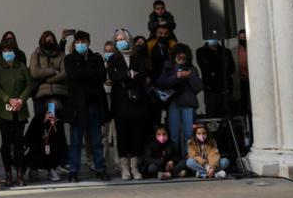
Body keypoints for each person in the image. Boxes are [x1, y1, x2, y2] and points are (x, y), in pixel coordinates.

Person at [62, 31, 109, 181]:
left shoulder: (96, 58)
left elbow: (102, 76)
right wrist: (90, 74)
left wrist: (84, 73)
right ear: (74, 43)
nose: (81, 44)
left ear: (88, 42)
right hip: (77, 106)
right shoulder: (70, 59)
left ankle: (100, 168)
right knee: (75, 141)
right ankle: (73, 170)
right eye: (78, 42)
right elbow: (73, 76)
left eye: (84, 41)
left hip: (94, 105)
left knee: (96, 141)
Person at [0, 33, 33, 186]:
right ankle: (8, 173)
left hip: (20, 110)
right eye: (5, 51)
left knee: (19, 142)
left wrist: (21, 99)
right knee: (6, 142)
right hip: (3, 111)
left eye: (10, 51)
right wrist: (9, 99)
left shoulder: (21, 67)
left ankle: (20, 172)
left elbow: (29, 84)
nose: (8, 53)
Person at [107, 32, 151, 180]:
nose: (120, 42)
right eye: (118, 40)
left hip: (137, 102)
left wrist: (127, 77)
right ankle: (124, 167)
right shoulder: (113, 59)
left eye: (122, 39)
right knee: (122, 135)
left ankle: (134, 167)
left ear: (128, 40)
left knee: (136, 134)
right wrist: (129, 74)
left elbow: (142, 76)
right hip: (120, 103)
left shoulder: (138, 57)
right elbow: (114, 77)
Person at [27, 31, 66, 180]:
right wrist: (52, 71)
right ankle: (34, 165)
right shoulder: (36, 54)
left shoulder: (61, 55)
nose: (49, 42)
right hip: (40, 98)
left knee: (52, 133)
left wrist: (47, 79)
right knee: (39, 133)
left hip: (55, 98)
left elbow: (64, 73)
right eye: (46, 40)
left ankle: (52, 166)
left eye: (51, 40)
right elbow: (35, 73)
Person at [155, 42, 200, 153]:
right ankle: (174, 159)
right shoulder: (168, 66)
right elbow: (161, 83)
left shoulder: (191, 68)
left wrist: (189, 76)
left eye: (184, 57)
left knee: (189, 133)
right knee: (173, 134)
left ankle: (189, 159)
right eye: (179, 57)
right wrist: (176, 76)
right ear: (174, 56)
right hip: (172, 102)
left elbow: (198, 87)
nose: (181, 59)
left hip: (187, 102)